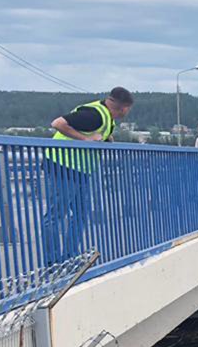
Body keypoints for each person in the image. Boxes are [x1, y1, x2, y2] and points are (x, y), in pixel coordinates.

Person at [42, 87, 134, 264]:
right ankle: (52, 263)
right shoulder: (95, 115)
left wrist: (105, 140)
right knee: (56, 215)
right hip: (62, 165)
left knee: (81, 214)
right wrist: (85, 140)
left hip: (80, 170)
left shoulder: (106, 117)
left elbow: (97, 134)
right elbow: (58, 123)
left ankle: (69, 257)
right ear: (124, 107)